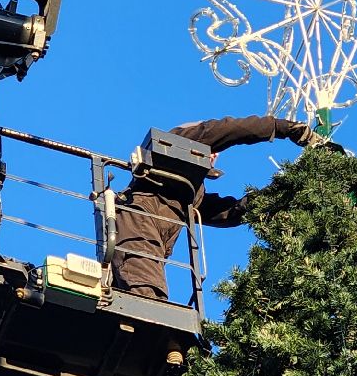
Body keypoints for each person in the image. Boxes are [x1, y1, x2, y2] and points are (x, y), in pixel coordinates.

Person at [111, 115, 313, 299]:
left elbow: (230, 212)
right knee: (150, 302)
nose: (214, 155)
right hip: (137, 227)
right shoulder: (181, 140)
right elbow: (228, 130)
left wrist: (286, 190)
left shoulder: (189, 192)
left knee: (149, 300)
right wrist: (282, 127)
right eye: (211, 150)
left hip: (147, 240)